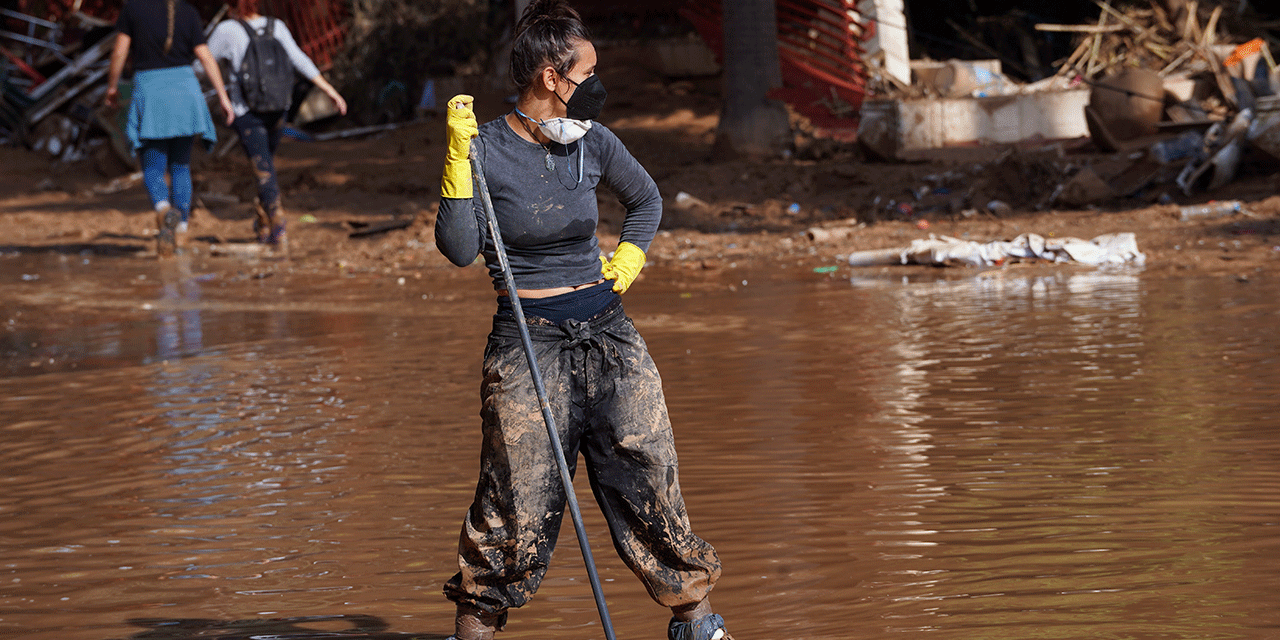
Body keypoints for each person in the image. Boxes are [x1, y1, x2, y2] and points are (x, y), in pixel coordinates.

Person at [433, 2, 732, 640]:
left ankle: (697, 627)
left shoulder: (592, 139)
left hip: (608, 331)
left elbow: (645, 198)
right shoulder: (484, 148)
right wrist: (459, 165)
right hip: (529, 343)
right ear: (549, 76)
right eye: (587, 71)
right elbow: (460, 250)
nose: (597, 83)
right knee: (516, 499)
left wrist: (626, 260)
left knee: (648, 473)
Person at [203, 0, 347, 251]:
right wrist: (329, 89)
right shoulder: (276, 26)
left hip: (246, 111)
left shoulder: (226, 30)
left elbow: (200, 64)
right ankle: (264, 222)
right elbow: (299, 60)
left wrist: (220, 90)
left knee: (263, 168)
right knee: (266, 160)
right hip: (279, 107)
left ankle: (277, 224)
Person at [106, 0, 234, 257]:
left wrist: (111, 86)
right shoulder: (188, 11)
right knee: (181, 165)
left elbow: (120, 51)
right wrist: (223, 97)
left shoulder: (133, 10)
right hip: (186, 92)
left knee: (153, 166)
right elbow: (205, 56)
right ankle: (181, 230)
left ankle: (164, 209)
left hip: (152, 93)